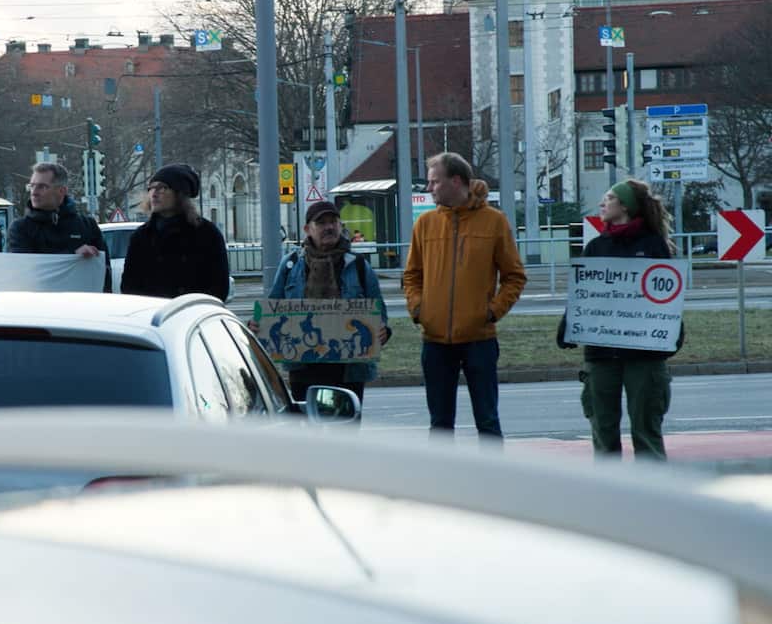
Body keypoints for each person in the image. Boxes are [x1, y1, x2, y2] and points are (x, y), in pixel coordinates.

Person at [403, 152, 527, 440]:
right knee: (440, 425)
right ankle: (442, 483)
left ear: (455, 181)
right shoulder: (425, 224)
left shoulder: (494, 222)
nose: (429, 188)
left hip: (479, 340)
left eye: (434, 182)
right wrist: (419, 309)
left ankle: (492, 483)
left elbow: (514, 276)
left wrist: (492, 312)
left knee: (487, 421)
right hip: (434, 342)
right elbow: (411, 275)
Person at [557, 180, 681, 460]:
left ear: (624, 206)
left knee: (646, 431)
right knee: (603, 431)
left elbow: (666, 293)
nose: (602, 203)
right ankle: (609, 498)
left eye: (609, 198)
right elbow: (583, 295)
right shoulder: (595, 248)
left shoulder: (653, 246)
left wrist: (672, 329)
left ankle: (651, 496)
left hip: (645, 355)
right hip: (601, 356)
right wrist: (569, 323)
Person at [269, 200, 390, 403]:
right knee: (308, 429)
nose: (329, 227)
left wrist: (383, 330)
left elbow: (380, 312)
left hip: (348, 369)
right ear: (307, 229)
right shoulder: (291, 265)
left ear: (340, 226)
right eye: (322, 223)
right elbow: (273, 307)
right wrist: (258, 324)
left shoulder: (359, 266)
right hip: (304, 366)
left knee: (345, 430)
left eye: (333, 222)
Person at [120, 164, 230, 302]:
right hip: (151, 317)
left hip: (192, 316)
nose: (154, 193)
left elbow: (219, 288)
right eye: (151, 188)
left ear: (180, 194)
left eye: (162, 188)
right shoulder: (141, 236)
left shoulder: (207, 234)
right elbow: (129, 287)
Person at [8, 162, 111, 291]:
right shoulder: (20, 228)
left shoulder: (87, 225)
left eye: (42, 187)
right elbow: (25, 272)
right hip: (39, 306)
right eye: (32, 186)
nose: (34, 192)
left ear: (62, 191)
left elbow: (104, 273)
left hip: (81, 306)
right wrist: (73, 256)